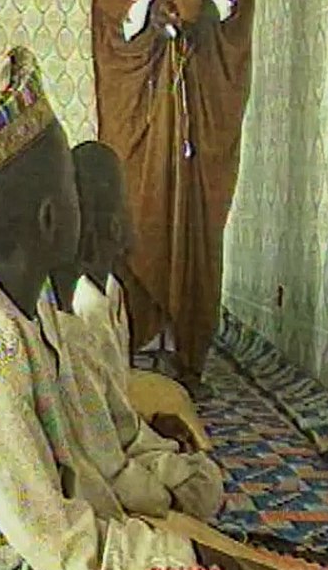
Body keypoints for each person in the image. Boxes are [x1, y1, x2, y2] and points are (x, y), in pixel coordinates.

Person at [0, 46, 253, 570]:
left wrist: (168, 541)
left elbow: (82, 467)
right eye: (72, 192)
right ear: (50, 219)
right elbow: (51, 536)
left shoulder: (37, 311)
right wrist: (179, 564)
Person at [92, 0, 254, 392]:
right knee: (130, 204)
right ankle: (130, 349)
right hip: (137, 85)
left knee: (197, 213)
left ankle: (186, 355)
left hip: (202, 78)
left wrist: (210, 10)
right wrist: (145, 10)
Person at [53, 141, 211, 452]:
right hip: (102, 433)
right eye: (127, 201)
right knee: (196, 475)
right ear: (113, 223)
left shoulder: (111, 287)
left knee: (176, 397)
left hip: (115, 407)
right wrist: (156, 440)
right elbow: (98, 418)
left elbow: (115, 385)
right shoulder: (86, 305)